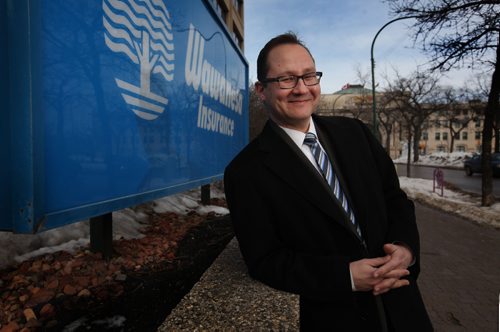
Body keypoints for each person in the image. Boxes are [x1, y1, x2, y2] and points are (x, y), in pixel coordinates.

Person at [223, 32, 433, 331]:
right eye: (286, 79)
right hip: (336, 316)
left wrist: (405, 249)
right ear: (261, 90)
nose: (301, 89)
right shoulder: (245, 172)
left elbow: (395, 200)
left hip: (402, 307)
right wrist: (344, 276)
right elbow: (265, 260)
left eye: (309, 76)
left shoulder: (357, 134)